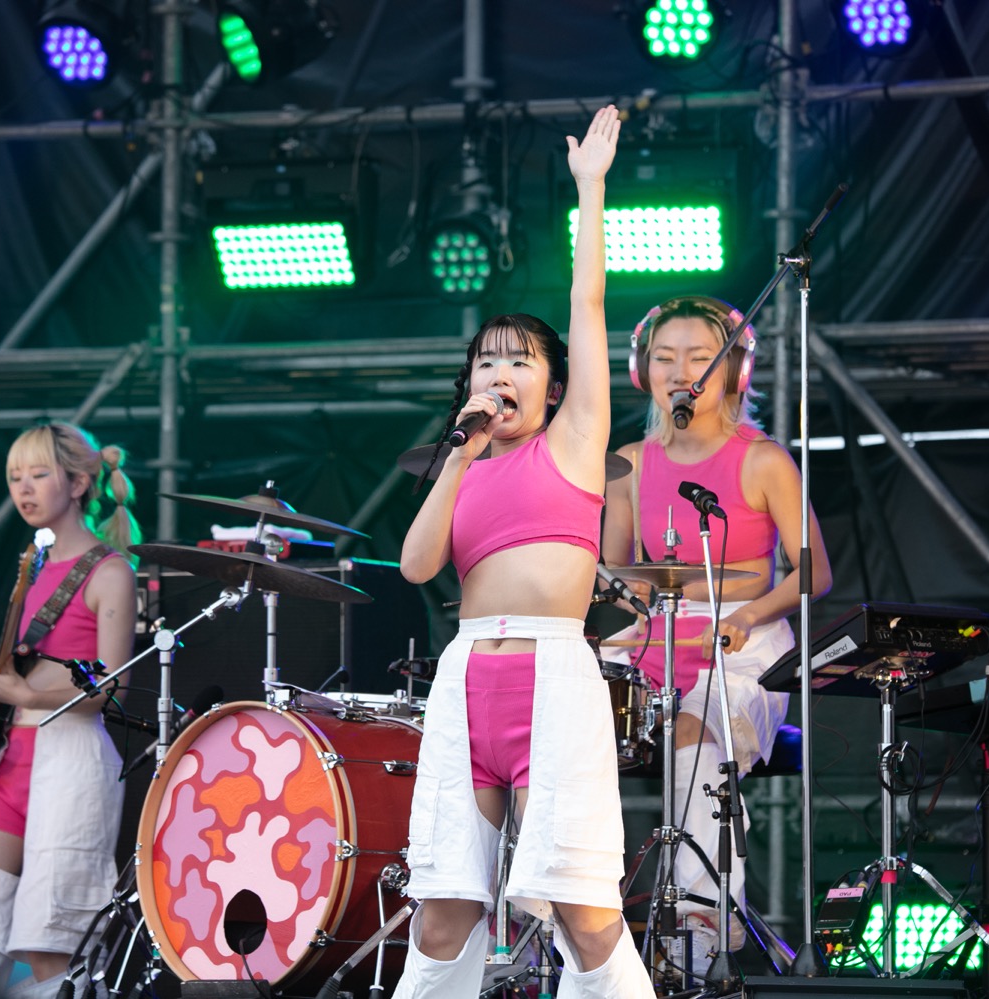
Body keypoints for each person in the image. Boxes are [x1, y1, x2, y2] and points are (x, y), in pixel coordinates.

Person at [393, 106, 652, 999]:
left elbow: (588, 304)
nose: (499, 375)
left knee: (582, 909)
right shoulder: (462, 462)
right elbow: (416, 565)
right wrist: (458, 454)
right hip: (467, 680)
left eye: (518, 362)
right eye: (485, 363)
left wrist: (591, 188)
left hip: (552, 676)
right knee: (442, 908)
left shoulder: (575, 443)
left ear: (554, 384)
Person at [600, 295, 832, 971]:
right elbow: (616, 573)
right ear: (643, 371)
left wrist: (746, 615)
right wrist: (629, 611)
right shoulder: (628, 464)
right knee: (550, 709)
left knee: (694, 733)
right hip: (659, 637)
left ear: (734, 370)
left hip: (747, 642)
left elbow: (814, 572)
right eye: (665, 358)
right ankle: (557, 912)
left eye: (700, 358)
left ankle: (704, 924)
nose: (682, 373)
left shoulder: (763, 459)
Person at [0, 423, 141, 999]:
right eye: (14, 477)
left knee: (52, 947)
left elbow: (111, 687)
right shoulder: (34, 565)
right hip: (9, 760)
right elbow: (33, 661)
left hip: (70, 763)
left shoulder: (111, 571)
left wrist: (26, 698)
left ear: (78, 483)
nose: (23, 488)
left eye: (39, 474)